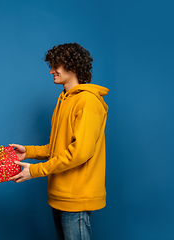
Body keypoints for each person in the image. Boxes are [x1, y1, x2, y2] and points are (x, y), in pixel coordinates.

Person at [9, 43, 109, 240]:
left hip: (77, 197)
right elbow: (59, 147)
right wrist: (28, 152)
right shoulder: (65, 99)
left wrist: (35, 170)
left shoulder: (87, 102)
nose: (51, 71)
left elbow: (80, 152)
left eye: (57, 65)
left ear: (72, 66)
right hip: (60, 196)